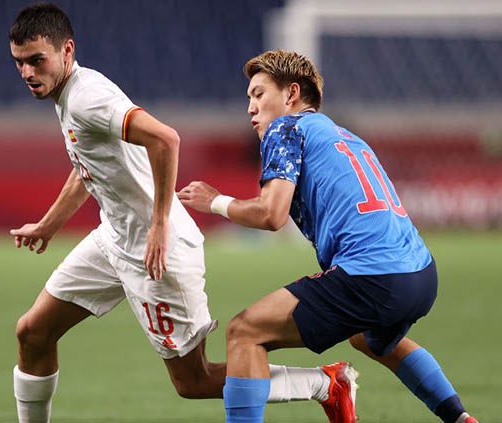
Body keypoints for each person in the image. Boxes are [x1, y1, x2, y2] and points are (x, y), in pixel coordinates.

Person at [7, 4, 357, 423]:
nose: (27, 72)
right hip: (114, 239)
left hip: (158, 252)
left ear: (66, 51)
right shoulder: (71, 94)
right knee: (33, 331)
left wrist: (158, 225)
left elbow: (166, 140)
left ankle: (326, 383)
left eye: (36, 60)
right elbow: (89, 165)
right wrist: (49, 224)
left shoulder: (86, 98)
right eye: (20, 63)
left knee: (194, 382)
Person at [178, 49, 479, 423]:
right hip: (420, 275)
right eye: (248, 99)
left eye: (258, 94)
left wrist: (216, 201)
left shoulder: (285, 128)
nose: (251, 108)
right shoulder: (344, 135)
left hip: (373, 276)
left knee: (245, 331)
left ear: (291, 95)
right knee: (368, 339)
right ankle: (459, 418)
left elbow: (272, 215)